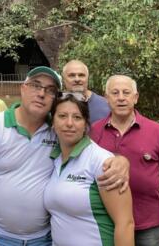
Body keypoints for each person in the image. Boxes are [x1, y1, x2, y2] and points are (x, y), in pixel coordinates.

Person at [0, 66, 129, 246]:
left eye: (50, 90)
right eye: (36, 85)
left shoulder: (57, 129)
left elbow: (90, 150)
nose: (42, 94)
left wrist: (121, 162)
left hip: (43, 239)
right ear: (23, 88)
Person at [90, 75, 159, 246]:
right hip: (107, 222)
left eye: (126, 92)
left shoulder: (157, 131)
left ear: (135, 97)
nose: (121, 98)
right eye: (115, 93)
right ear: (106, 98)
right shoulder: (94, 132)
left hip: (148, 225)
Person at [44, 92, 134, 246]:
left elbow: (125, 223)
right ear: (53, 122)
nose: (69, 123)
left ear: (86, 125)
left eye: (77, 117)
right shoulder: (55, 160)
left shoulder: (102, 162)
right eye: (62, 116)